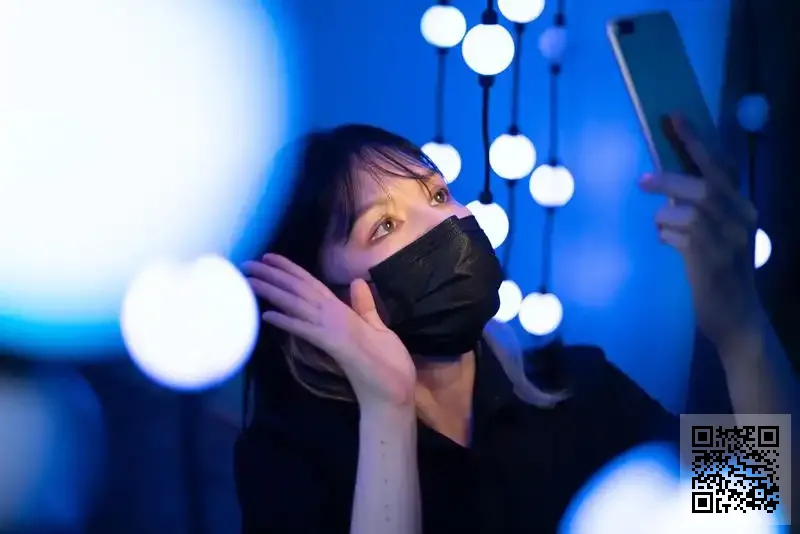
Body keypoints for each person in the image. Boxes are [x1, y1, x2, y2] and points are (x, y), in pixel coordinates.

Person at [235, 122, 795, 533]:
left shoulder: (579, 388)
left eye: (438, 193)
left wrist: (740, 327)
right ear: (317, 297)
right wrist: (389, 407)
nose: (447, 221)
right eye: (384, 225)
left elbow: (773, 493)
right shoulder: (289, 456)